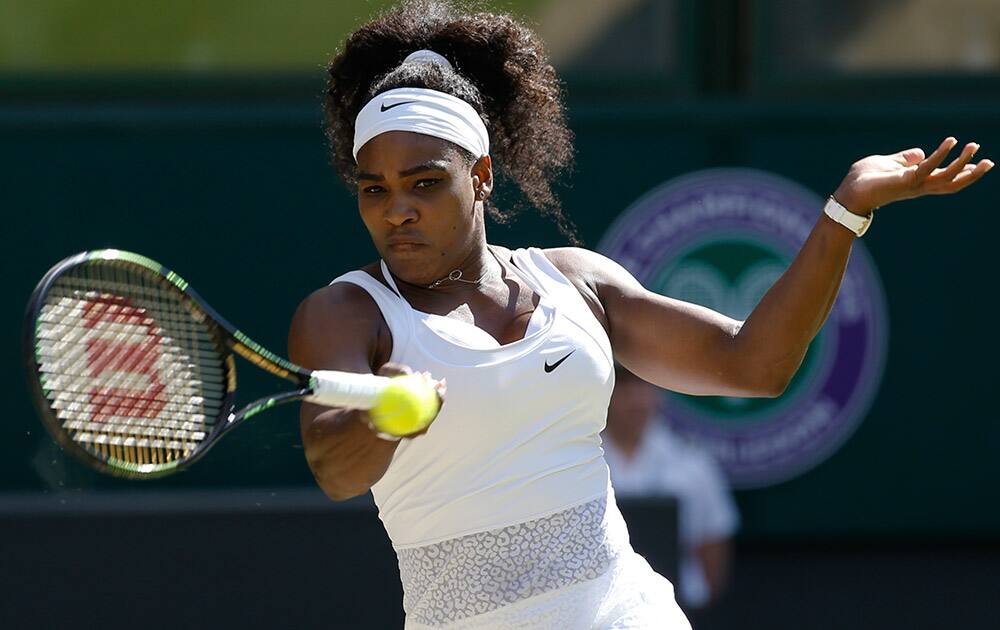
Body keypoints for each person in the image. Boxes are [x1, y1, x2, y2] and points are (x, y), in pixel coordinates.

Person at [287, 1, 992, 627]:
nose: (396, 209)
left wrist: (845, 212)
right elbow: (335, 467)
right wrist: (386, 417)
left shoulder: (574, 282)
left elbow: (755, 365)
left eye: (424, 183)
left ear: (481, 178)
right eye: (373, 189)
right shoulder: (345, 314)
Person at [603, 365, 739, 610]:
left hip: (679, 607)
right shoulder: (579, 462)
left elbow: (712, 546)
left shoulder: (693, 463)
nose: (634, 400)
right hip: (600, 610)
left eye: (642, 386)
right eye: (623, 388)